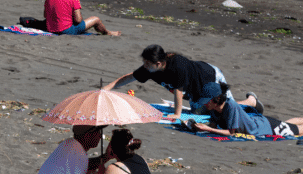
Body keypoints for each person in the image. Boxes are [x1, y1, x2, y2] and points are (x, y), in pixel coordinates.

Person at [102, 44, 258, 121]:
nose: (144, 66)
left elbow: (178, 90)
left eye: (147, 63)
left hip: (211, 78)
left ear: (158, 63)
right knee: (201, 112)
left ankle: (250, 102)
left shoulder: (177, 65)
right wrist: (106, 89)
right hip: (196, 91)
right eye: (144, 62)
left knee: (227, 110)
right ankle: (248, 103)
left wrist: (177, 114)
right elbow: (130, 77)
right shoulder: (150, 69)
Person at [193, 83, 303, 138]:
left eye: (207, 101)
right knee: (288, 124)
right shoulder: (213, 108)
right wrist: (198, 127)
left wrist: (209, 129)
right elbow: (213, 125)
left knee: (297, 130)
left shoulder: (231, 106)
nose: (204, 103)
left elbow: (230, 133)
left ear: (216, 99)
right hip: (261, 122)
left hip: (265, 128)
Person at [44, 0, 120, 36]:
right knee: (96, 19)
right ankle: (108, 33)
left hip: (50, 28)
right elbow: (78, 20)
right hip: (65, 30)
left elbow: (45, 15)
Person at [37, 124, 105, 174]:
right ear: (87, 136)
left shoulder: (69, 143)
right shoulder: (78, 155)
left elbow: (87, 165)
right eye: (98, 132)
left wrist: (106, 156)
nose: (100, 136)